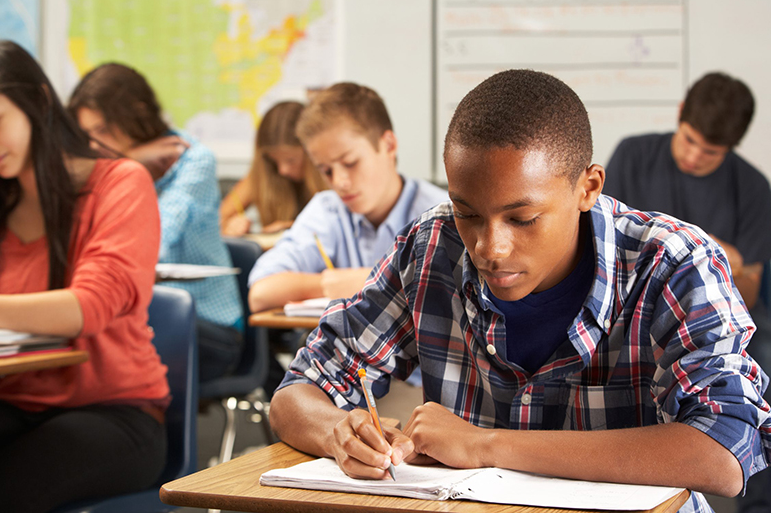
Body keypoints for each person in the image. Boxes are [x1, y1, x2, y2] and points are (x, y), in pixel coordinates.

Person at [268, 70, 770, 513]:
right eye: (467, 213)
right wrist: (339, 433)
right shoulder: (431, 247)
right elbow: (298, 392)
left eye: (522, 218)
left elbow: (723, 453)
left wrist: (486, 445)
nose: (491, 247)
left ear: (587, 188)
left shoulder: (674, 263)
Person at [0, 41, 169, 512]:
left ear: (38, 101)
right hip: (14, 406)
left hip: (118, 414)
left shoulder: (119, 183)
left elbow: (88, 307)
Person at [605, 71, 771, 513]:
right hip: (634, 308)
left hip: (714, 318)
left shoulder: (753, 188)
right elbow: (606, 248)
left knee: (758, 368)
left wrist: (725, 262)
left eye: (710, 152)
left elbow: (750, 294)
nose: (695, 156)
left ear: (732, 147)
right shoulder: (633, 154)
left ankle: (753, 496)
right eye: (690, 140)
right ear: (680, 116)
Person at [69, 63, 244, 382]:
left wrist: (127, 171)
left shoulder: (193, 159)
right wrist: (131, 163)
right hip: (137, 315)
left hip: (206, 325)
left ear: (137, 114)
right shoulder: (100, 167)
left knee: (106, 340)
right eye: (86, 135)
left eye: (104, 131)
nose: (94, 146)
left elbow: (150, 245)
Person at [247, 82, 447, 313]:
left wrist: (372, 280)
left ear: (388, 145)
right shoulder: (327, 211)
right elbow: (260, 293)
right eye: (326, 170)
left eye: (350, 163)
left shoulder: (442, 215)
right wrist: (329, 284)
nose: (340, 182)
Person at [220, 101, 327, 237]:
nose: (282, 170)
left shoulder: (332, 176)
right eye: (273, 161)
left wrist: (294, 227)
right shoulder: (261, 176)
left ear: (311, 153)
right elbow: (216, 221)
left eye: (290, 160)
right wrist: (230, 226)